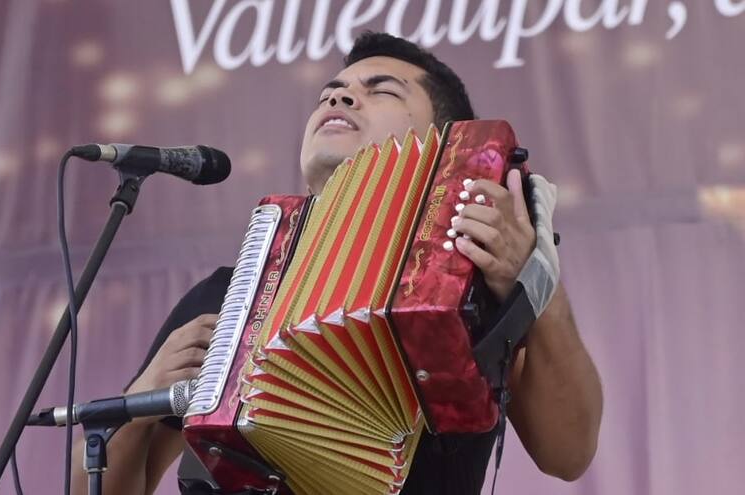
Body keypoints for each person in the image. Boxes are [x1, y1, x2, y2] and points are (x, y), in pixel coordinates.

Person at [72, 31, 603, 495]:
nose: (340, 94)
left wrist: (535, 280)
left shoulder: (477, 277)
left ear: (440, 141)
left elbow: (568, 453)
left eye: (381, 91)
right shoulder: (225, 296)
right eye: (330, 92)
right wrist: (141, 394)